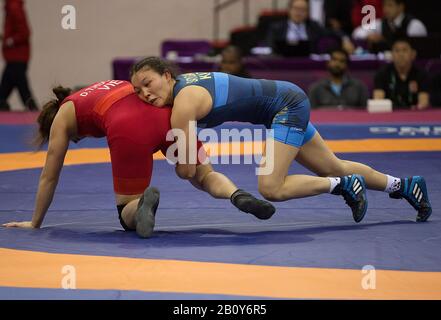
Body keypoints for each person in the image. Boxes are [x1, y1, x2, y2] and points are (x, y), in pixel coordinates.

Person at [130, 57, 433, 223]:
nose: (145, 93)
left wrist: (176, 153)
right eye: (138, 91)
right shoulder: (182, 87)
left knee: (271, 187)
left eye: (148, 83)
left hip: (287, 106)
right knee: (333, 165)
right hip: (284, 99)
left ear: (167, 75)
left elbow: (185, 171)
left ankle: (341, 187)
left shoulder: (183, 105)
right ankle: (405, 186)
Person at [2, 80, 275, 238]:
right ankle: (236, 194)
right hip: (166, 115)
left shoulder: (63, 117)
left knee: (126, 212)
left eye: (77, 139)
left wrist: (35, 221)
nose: (80, 139)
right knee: (203, 175)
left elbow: (50, 174)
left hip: (127, 126)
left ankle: (139, 206)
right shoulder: (97, 87)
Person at [265, 0, 354, 56]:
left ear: (308, 12)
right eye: (296, 9)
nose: (299, 13)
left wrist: (345, 39)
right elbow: (270, 47)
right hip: (283, 65)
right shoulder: (276, 28)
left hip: (308, 65)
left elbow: (332, 32)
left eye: (303, 10)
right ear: (289, 10)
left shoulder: (313, 26)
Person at [0, 0, 38, 111]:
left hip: (16, 58)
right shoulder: (11, 7)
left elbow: (25, 32)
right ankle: (33, 110)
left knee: (22, 91)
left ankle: (34, 110)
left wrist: (9, 41)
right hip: (15, 57)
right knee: (16, 90)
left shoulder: (14, 7)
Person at [373, 38, 430, 109]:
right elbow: (378, 100)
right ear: (392, 54)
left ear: (413, 54)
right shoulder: (382, 74)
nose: (401, 54)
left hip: (413, 115)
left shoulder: (421, 74)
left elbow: (423, 102)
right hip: (389, 115)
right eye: (397, 51)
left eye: (404, 50)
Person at [352, 0, 427, 52]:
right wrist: (368, 36)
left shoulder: (414, 25)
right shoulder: (380, 23)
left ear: (400, 7)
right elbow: (357, 32)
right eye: (384, 5)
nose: (386, 9)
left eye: (390, 5)